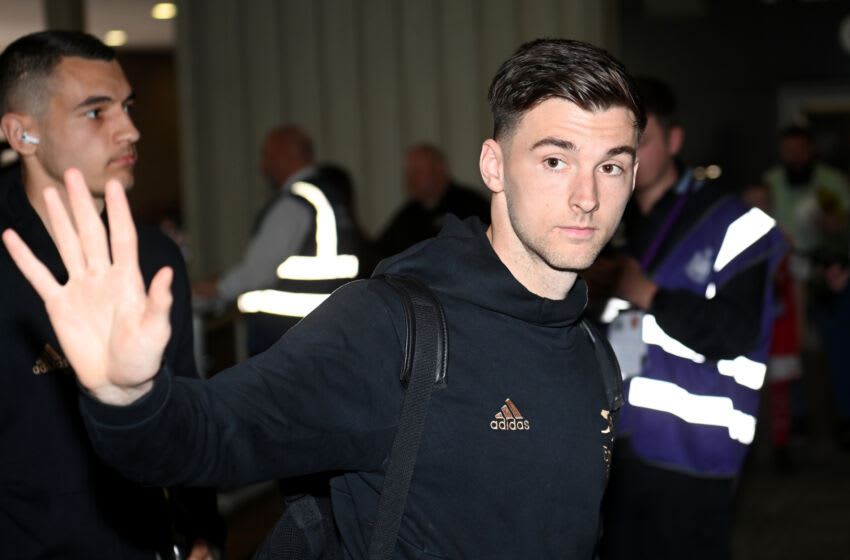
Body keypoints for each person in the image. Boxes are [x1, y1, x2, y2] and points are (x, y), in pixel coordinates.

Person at [3, 38, 645, 558]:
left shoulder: (593, 351)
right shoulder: (392, 328)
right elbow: (204, 436)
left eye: (611, 166)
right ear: (493, 167)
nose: (587, 197)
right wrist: (125, 397)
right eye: (555, 161)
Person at [0, 30, 223, 559]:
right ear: (22, 135)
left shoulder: (154, 256)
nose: (130, 129)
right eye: (96, 112)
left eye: (126, 106)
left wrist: (203, 533)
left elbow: (186, 403)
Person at [587, 77, 786, 559]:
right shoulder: (612, 219)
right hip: (621, 446)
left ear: (675, 141)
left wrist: (650, 294)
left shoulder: (732, 222)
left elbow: (734, 331)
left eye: (643, 140)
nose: (629, 158)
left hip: (693, 453)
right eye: (620, 144)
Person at [194, 125, 376, 354]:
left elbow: (258, 272)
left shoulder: (294, 204)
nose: (262, 166)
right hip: (326, 331)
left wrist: (216, 290)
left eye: (267, 156)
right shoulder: (329, 196)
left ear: (286, 155)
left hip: (286, 338)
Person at [762, 124, 850, 446]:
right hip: (783, 274)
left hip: (823, 274)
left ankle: (843, 417)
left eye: (799, 149)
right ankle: (796, 417)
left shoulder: (832, 182)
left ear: (810, 150)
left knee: (837, 347)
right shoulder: (771, 181)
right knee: (789, 345)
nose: (794, 156)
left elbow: (845, 229)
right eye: (788, 150)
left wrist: (834, 227)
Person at [376, 143, 489, 257]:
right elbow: (380, 251)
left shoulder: (471, 205)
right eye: (408, 174)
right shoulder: (407, 215)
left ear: (439, 170)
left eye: (418, 172)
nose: (411, 180)